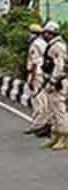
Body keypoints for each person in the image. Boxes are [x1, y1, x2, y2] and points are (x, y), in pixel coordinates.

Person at [38, 22, 68, 150]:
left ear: (51, 33)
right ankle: (55, 136)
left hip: (58, 82)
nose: (45, 35)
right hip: (53, 80)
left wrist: (53, 81)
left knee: (59, 110)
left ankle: (64, 138)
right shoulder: (53, 45)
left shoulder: (58, 46)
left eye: (46, 33)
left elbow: (60, 66)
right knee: (53, 110)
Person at [24, 23, 50, 137]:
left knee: (37, 100)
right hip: (44, 74)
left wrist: (32, 78)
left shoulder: (35, 44)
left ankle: (36, 125)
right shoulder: (44, 43)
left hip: (37, 74)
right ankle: (43, 124)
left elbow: (35, 63)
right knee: (44, 100)